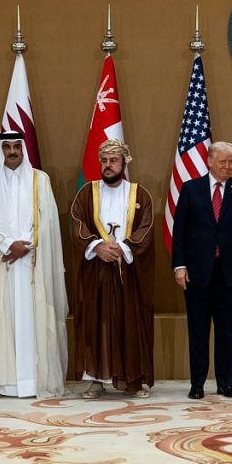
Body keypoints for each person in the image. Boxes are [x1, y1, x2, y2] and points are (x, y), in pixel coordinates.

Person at [0, 131, 68, 399]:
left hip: (32, 265)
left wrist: (24, 246)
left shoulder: (40, 179)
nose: (13, 151)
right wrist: (7, 245)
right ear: (0, 151)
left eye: (17, 146)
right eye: (7, 147)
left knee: (33, 318)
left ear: (23, 149)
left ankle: (35, 381)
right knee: (3, 318)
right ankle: (4, 383)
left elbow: (47, 220)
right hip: (2, 263)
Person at [171, 141, 232, 399]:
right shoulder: (191, 189)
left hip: (229, 273)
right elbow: (179, 232)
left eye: (231, 162)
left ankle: (225, 383)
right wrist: (179, 266)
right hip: (197, 272)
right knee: (198, 331)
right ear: (210, 161)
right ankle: (197, 384)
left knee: (226, 331)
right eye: (223, 162)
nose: (228, 167)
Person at [70, 139, 155, 399]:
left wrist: (123, 249)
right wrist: (97, 246)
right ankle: (96, 380)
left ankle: (136, 379)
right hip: (96, 270)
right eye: (104, 161)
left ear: (124, 162)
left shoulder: (140, 194)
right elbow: (77, 221)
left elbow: (146, 227)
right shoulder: (87, 192)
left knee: (131, 323)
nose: (108, 166)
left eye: (113, 160)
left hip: (128, 272)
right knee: (97, 323)